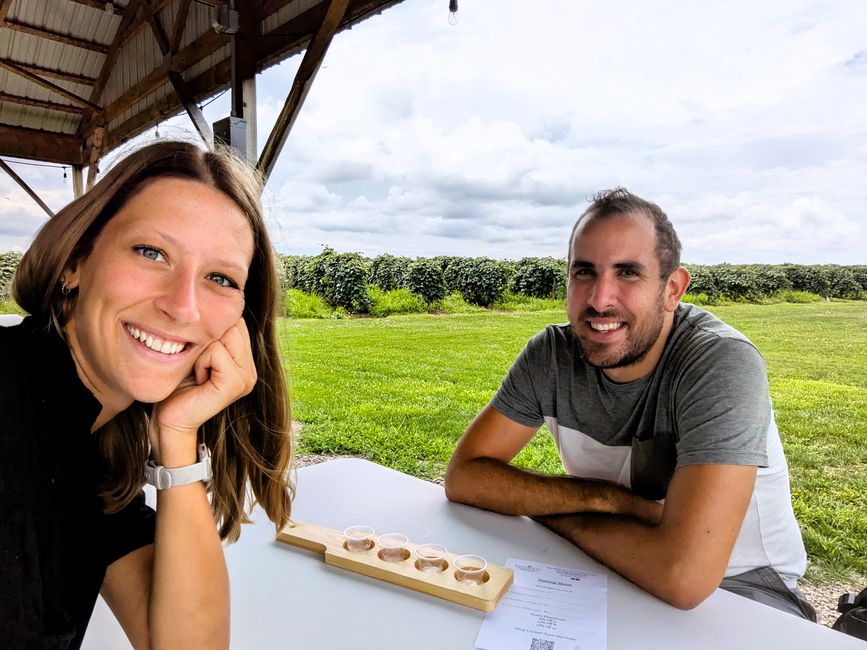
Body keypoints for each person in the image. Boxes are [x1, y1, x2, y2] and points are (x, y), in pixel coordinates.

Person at [444, 188, 815, 620]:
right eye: (585, 272)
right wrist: (606, 500)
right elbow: (465, 478)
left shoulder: (719, 362)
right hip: (609, 557)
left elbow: (684, 577)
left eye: (628, 273)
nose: (600, 300)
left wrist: (546, 509)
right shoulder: (551, 355)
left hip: (743, 586)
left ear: (672, 289)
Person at [0, 140, 294, 649]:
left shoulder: (90, 446)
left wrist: (177, 436)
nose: (183, 307)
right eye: (152, 252)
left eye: (220, 278)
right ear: (74, 261)